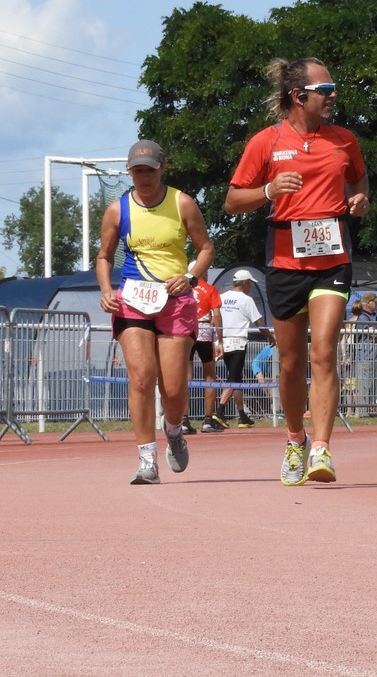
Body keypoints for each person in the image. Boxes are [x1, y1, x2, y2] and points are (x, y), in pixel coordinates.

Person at [224, 57, 370, 484]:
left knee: (323, 352)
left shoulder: (344, 140)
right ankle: (295, 439)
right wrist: (269, 190)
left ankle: (321, 449)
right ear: (299, 96)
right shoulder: (266, 142)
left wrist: (360, 200)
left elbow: (360, 180)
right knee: (290, 363)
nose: (332, 96)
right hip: (285, 262)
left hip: (333, 260)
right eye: (325, 90)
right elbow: (232, 201)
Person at [95, 139, 213, 485]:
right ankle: (147, 459)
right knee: (142, 377)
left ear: (162, 168)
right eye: (137, 171)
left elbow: (206, 249)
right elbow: (104, 256)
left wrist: (190, 277)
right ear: (129, 172)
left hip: (174, 301)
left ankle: (173, 430)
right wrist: (106, 290)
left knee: (174, 389)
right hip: (133, 300)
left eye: (149, 170)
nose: (143, 177)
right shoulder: (118, 210)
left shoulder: (182, 203)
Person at [214, 270, 273, 429]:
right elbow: (259, 323)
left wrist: (218, 341)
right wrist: (271, 337)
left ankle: (242, 415)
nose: (251, 286)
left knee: (237, 377)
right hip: (238, 342)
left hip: (222, 342)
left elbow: (214, 318)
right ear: (245, 282)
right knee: (233, 378)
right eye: (250, 283)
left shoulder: (221, 297)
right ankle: (219, 411)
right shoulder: (246, 300)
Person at [188, 260, 223, 433]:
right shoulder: (210, 289)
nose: (207, 273)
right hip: (204, 331)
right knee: (209, 376)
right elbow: (216, 315)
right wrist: (220, 340)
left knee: (186, 376)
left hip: (186, 331)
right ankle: (208, 420)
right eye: (205, 270)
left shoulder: (183, 287)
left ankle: (183, 420)